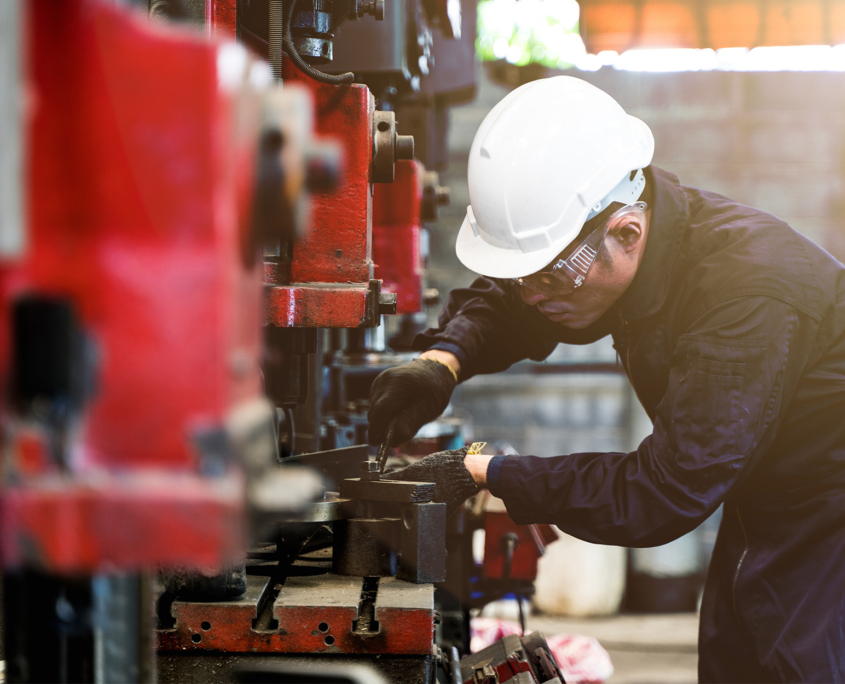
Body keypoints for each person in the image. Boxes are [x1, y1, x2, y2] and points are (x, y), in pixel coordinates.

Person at [368, 75, 845, 682]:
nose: (533, 298)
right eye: (524, 278)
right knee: (733, 664)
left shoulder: (744, 296)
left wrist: (483, 470)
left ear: (626, 230)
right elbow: (509, 302)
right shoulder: (626, 252)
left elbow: (663, 492)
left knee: (796, 667)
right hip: (766, 501)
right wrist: (440, 363)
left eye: (549, 279)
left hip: (828, 516)